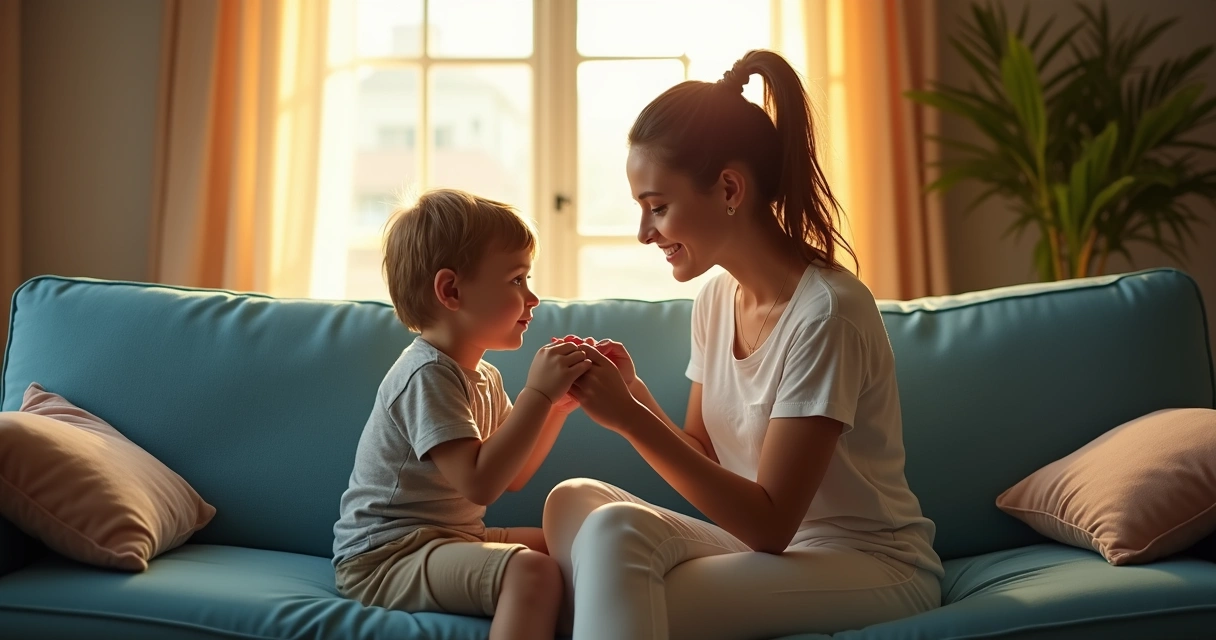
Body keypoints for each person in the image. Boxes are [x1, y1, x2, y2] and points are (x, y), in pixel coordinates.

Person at [542, 49, 944, 640]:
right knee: (575, 503)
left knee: (612, 558)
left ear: (729, 187)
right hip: (763, 553)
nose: (645, 233)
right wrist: (636, 395)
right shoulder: (716, 298)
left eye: (658, 207)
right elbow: (704, 454)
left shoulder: (826, 314)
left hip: (867, 562)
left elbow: (770, 524)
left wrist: (628, 418)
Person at [332, 189, 592, 640]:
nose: (533, 297)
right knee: (531, 571)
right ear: (451, 290)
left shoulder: (484, 376)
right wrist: (536, 395)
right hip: (385, 557)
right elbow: (480, 482)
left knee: (576, 547)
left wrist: (555, 407)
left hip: (450, 538)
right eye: (516, 279)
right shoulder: (426, 374)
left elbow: (512, 474)